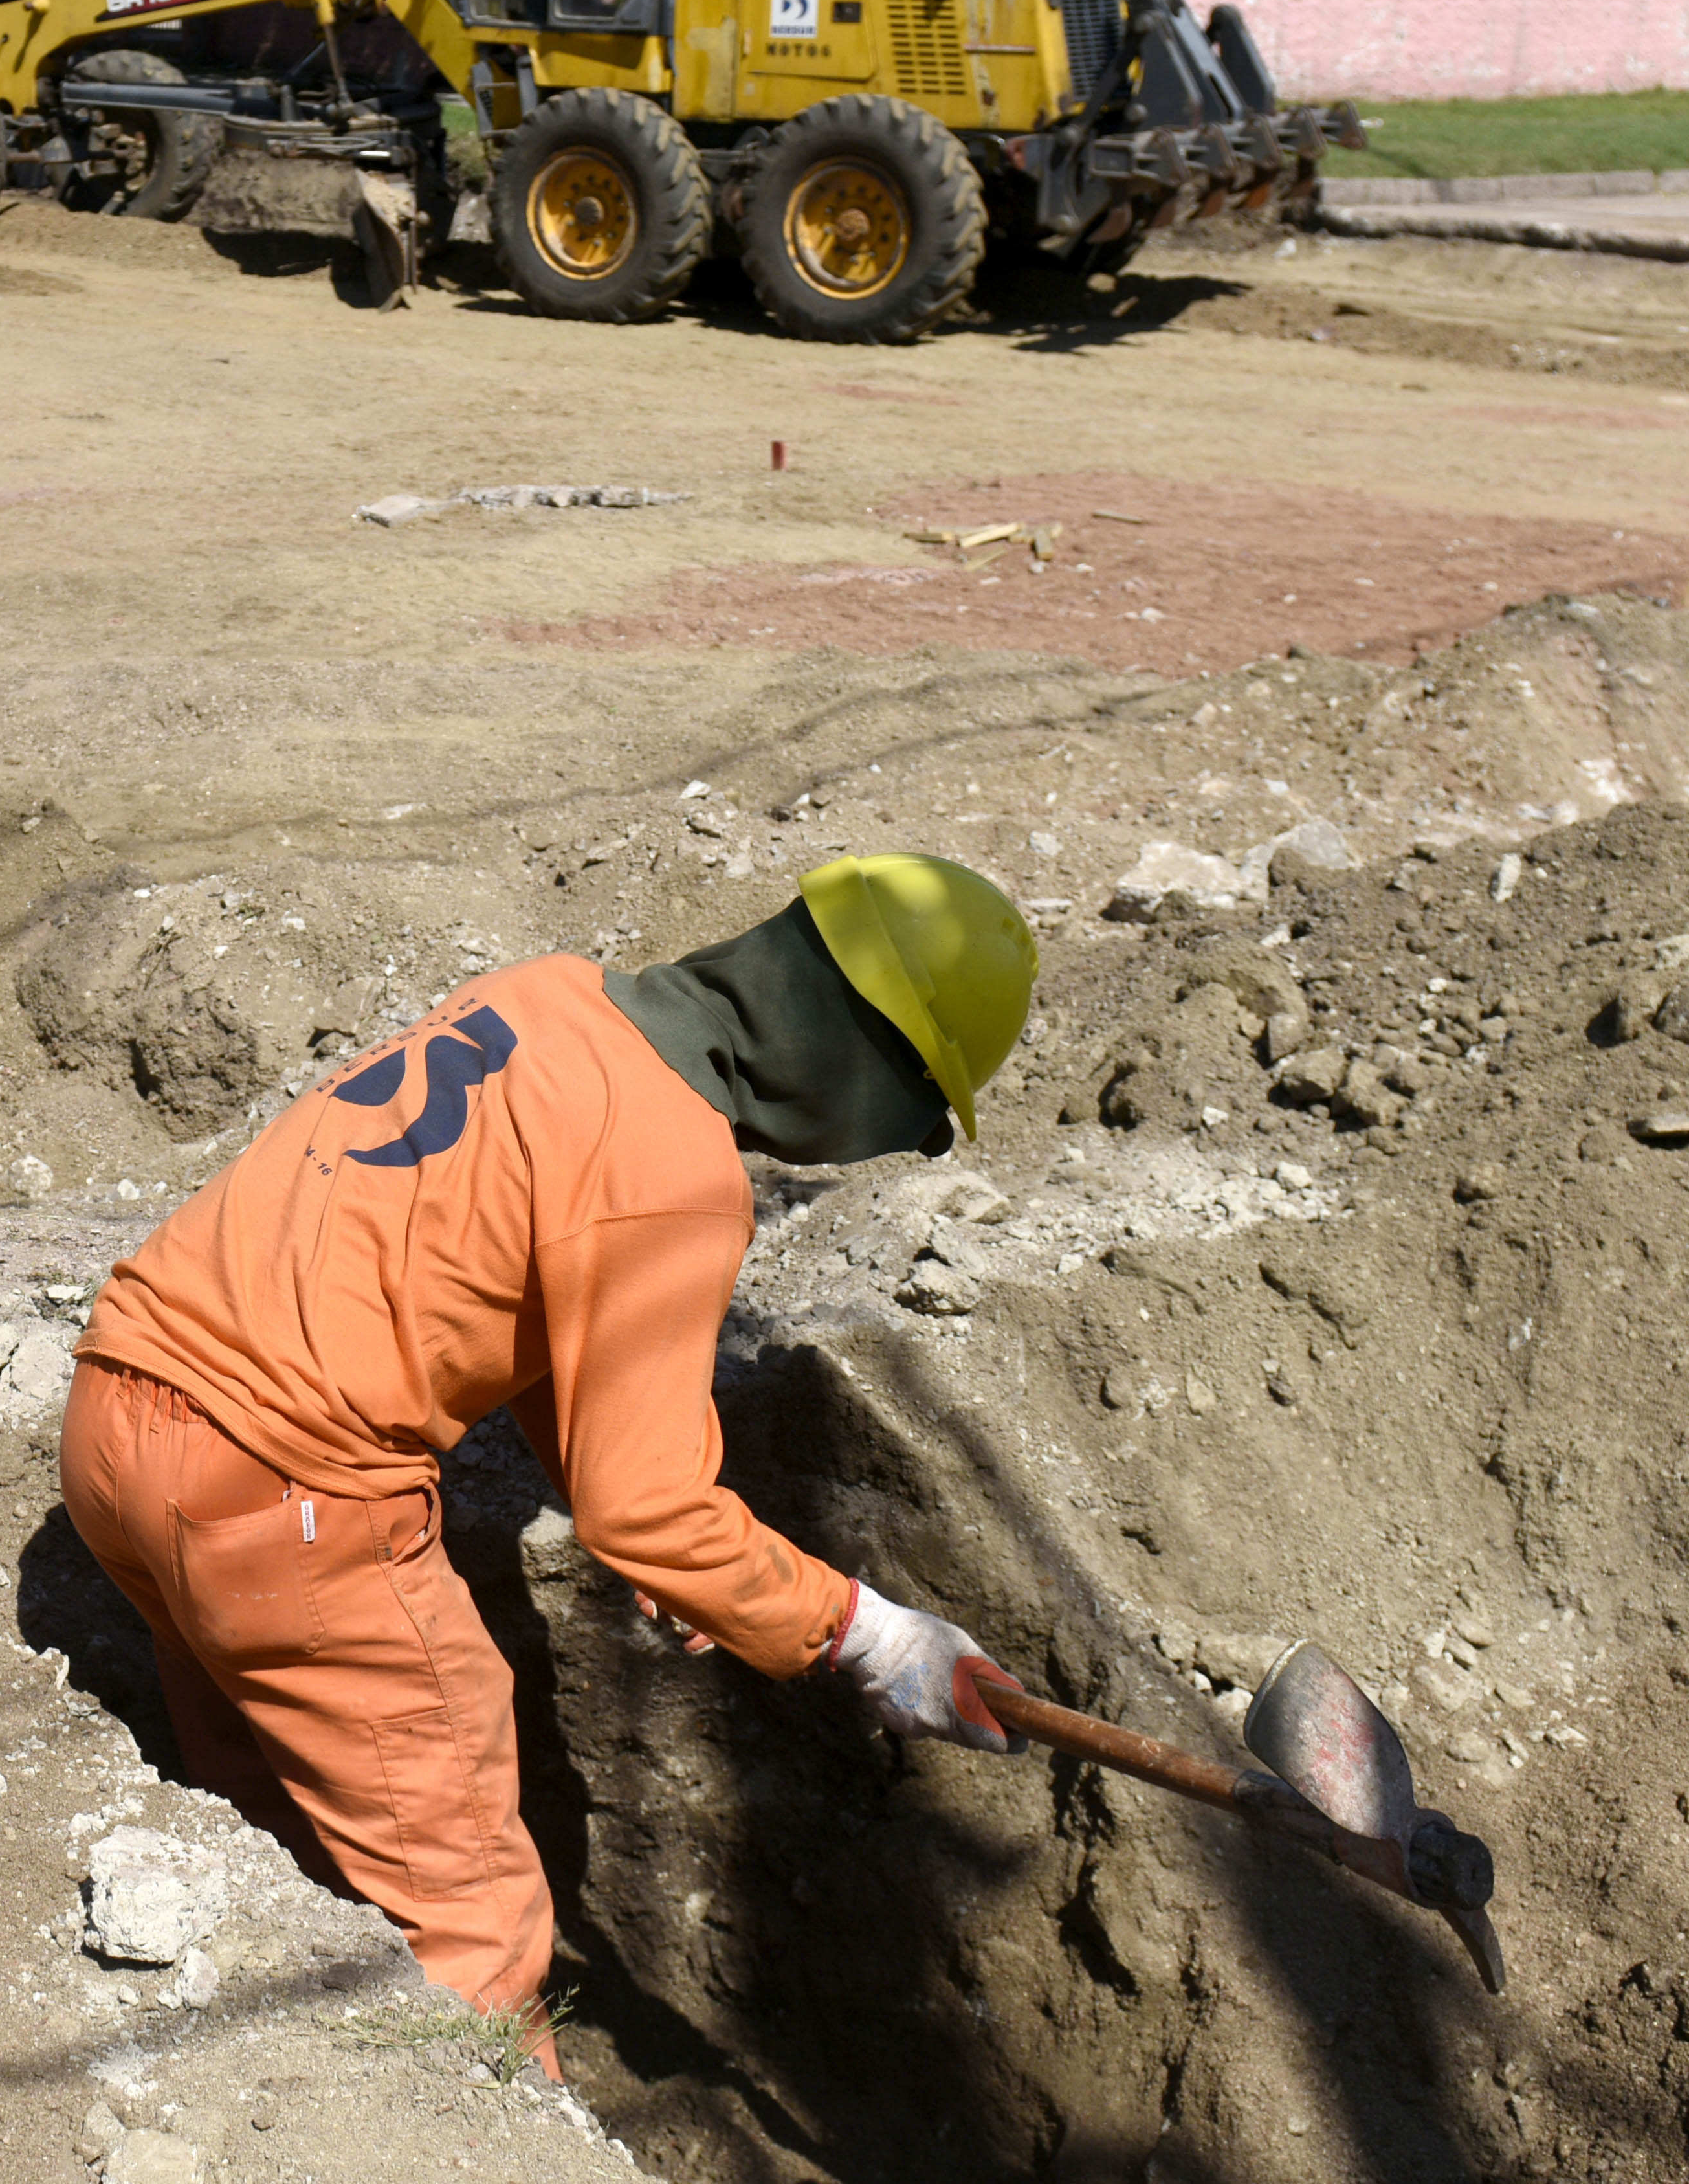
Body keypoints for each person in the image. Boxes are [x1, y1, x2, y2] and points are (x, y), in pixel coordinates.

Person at [62, 855, 1042, 2071]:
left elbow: (525, 1293)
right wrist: (870, 1636)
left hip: (118, 1419)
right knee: (469, 1908)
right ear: (861, 1056)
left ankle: (290, 2095)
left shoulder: (550, 995)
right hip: (282, 1500)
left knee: (278, 1828)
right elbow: (648, 1510)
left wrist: (637, 1510)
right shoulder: (674, 1174)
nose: (886, 1151)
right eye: (913, 1116)